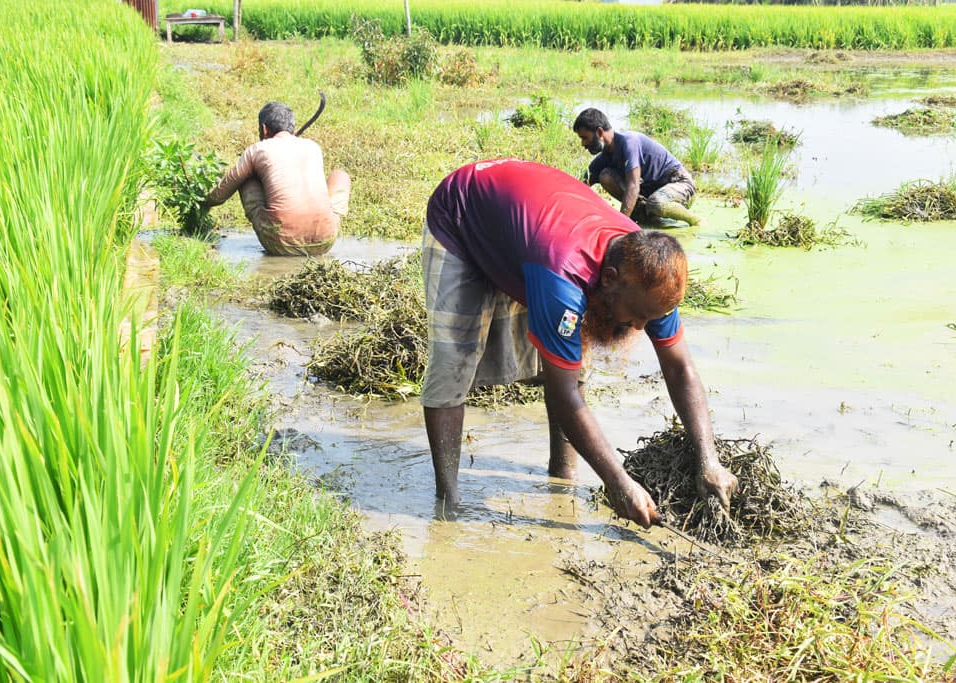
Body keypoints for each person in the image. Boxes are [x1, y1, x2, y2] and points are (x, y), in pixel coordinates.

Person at [422, 158, 736, 526]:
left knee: (571, 355)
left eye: (648, 320)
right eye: (636, 317)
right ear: (610, 279)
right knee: (453, 361)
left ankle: (562, 477)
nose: (639, 327)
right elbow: (563, 394)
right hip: (462, 214)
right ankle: (448, 501)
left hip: (531, 229)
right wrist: (619, 483)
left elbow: (680, 368)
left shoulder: (654, 280)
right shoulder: (564, 278)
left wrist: (708, 461)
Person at [203, 101, 351, 256]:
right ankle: (324, 224)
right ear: (292, 128)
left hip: (280, 243)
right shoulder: (313, 146)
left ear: (264, 129)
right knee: (340, 176)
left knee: (245, 178)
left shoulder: (258, 150)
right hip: (325, 241)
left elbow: (222, 192)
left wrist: (204, 204)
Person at [572, 107, 701, 228]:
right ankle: (647, 217)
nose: (583, 144)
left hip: (680, 185)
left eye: (584, 138)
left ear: (599, 132)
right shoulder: (604, 157)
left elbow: (633, 186)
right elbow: (581, 186)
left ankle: (695, 220)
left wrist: (621, 225)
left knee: (657, 203)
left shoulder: (629, 142)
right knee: (605, 176)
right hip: (651, 195)